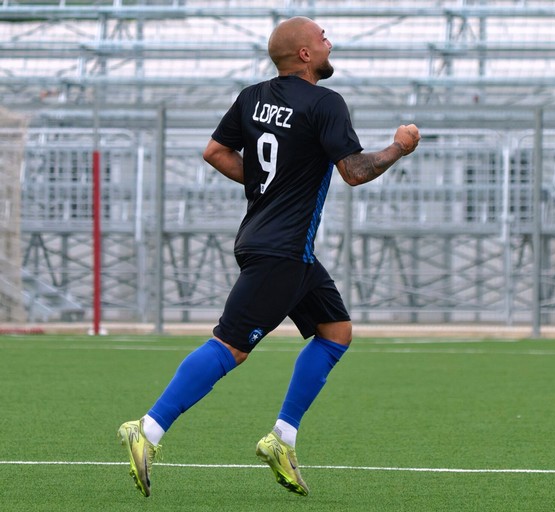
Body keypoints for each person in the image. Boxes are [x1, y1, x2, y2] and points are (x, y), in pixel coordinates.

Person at [117, 16, 420, 498]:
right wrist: (400, 146)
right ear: (305, 54)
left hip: (274, 244)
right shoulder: (325, 103)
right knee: (230, 346)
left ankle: (283, 437)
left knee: (336, 332)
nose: (329, 42)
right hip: (283, 251)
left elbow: (215, 152)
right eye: (322, 38)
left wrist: (265, 183)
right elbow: (355, 171)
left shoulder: (251, 97)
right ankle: (147, 429)